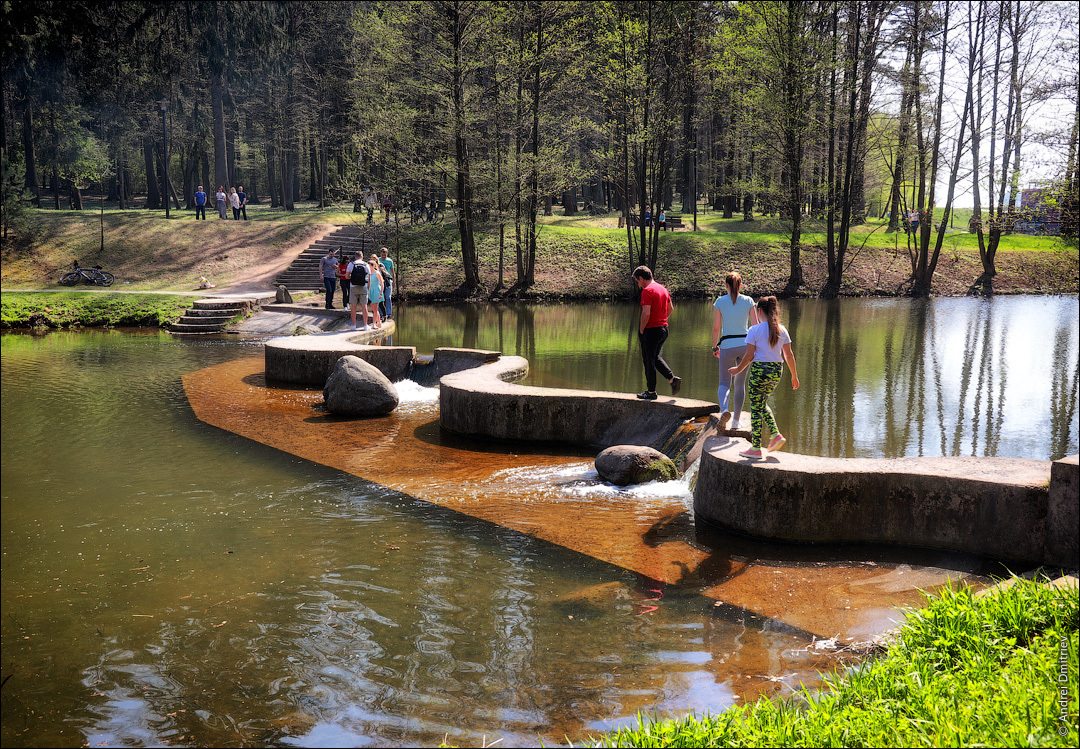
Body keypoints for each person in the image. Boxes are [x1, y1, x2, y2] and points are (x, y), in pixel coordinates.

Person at [726, 296, 800, 459]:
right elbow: (789, 355)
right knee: (761, 404)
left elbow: (749, 356)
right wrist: (794, 375)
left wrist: (738, 370)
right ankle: (776, 435)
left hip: (760, 371)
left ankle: (756, 448)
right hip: (776, 372)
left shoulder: (755, 330)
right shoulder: (782, 330)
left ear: (759, 311)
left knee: (755, 407)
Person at [711, 271, 760, 430]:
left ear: (726, 286)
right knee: (740, 384)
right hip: (745, 346)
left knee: (724, 383)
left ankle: (725, 410)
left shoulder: (720, 301)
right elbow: (755, 325)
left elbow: (716, 328)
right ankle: (736, 422)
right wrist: (755, 347)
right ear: (740, 285)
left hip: (727, 346)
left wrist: (714, 346)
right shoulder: (748, 300)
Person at [633, 265, 680, 400]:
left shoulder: (647, 291)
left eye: (637, 281)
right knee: (654, 357)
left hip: (651, 330)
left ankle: (651, 392)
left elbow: (646, 313)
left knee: (648, 360)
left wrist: (642, 329)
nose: (638, 284)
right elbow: (670, 308)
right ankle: (672, 379)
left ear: (641, 278)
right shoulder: (662, 289)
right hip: (663, 329)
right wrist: (662, 320)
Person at [346, 252, 370, 330]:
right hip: (363, 287)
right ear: (362, 257)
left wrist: (352, 276)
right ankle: (365, 325)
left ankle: (353, 325)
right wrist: (368, 288)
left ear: (355, 257)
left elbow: (346, 276)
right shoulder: (366, 264)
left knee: (353, 306)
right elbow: (368, 278)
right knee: (364, 306)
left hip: (353, 287)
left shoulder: (351, 264)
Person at [367, 254, 384, 328]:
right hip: (370, 291)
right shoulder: (368, 274)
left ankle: (374, 323)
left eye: (369, 265)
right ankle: (379, 322)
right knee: (373, 308)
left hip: (376, 291)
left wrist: (381, 294)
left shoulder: (377, 273)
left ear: (373, 265)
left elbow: (382, 283)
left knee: (375, 308)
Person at [378, 247, 395, 319]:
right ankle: (381, 314)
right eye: (382, 255)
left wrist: (394, 281)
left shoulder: (390, 261)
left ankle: (389, 314)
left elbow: (393, 272)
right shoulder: (378, 260)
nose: (383, 256)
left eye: (384, 255)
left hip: (388, 281)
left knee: (388, 297)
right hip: (380, 281)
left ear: (387, 254)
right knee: (380, 298)